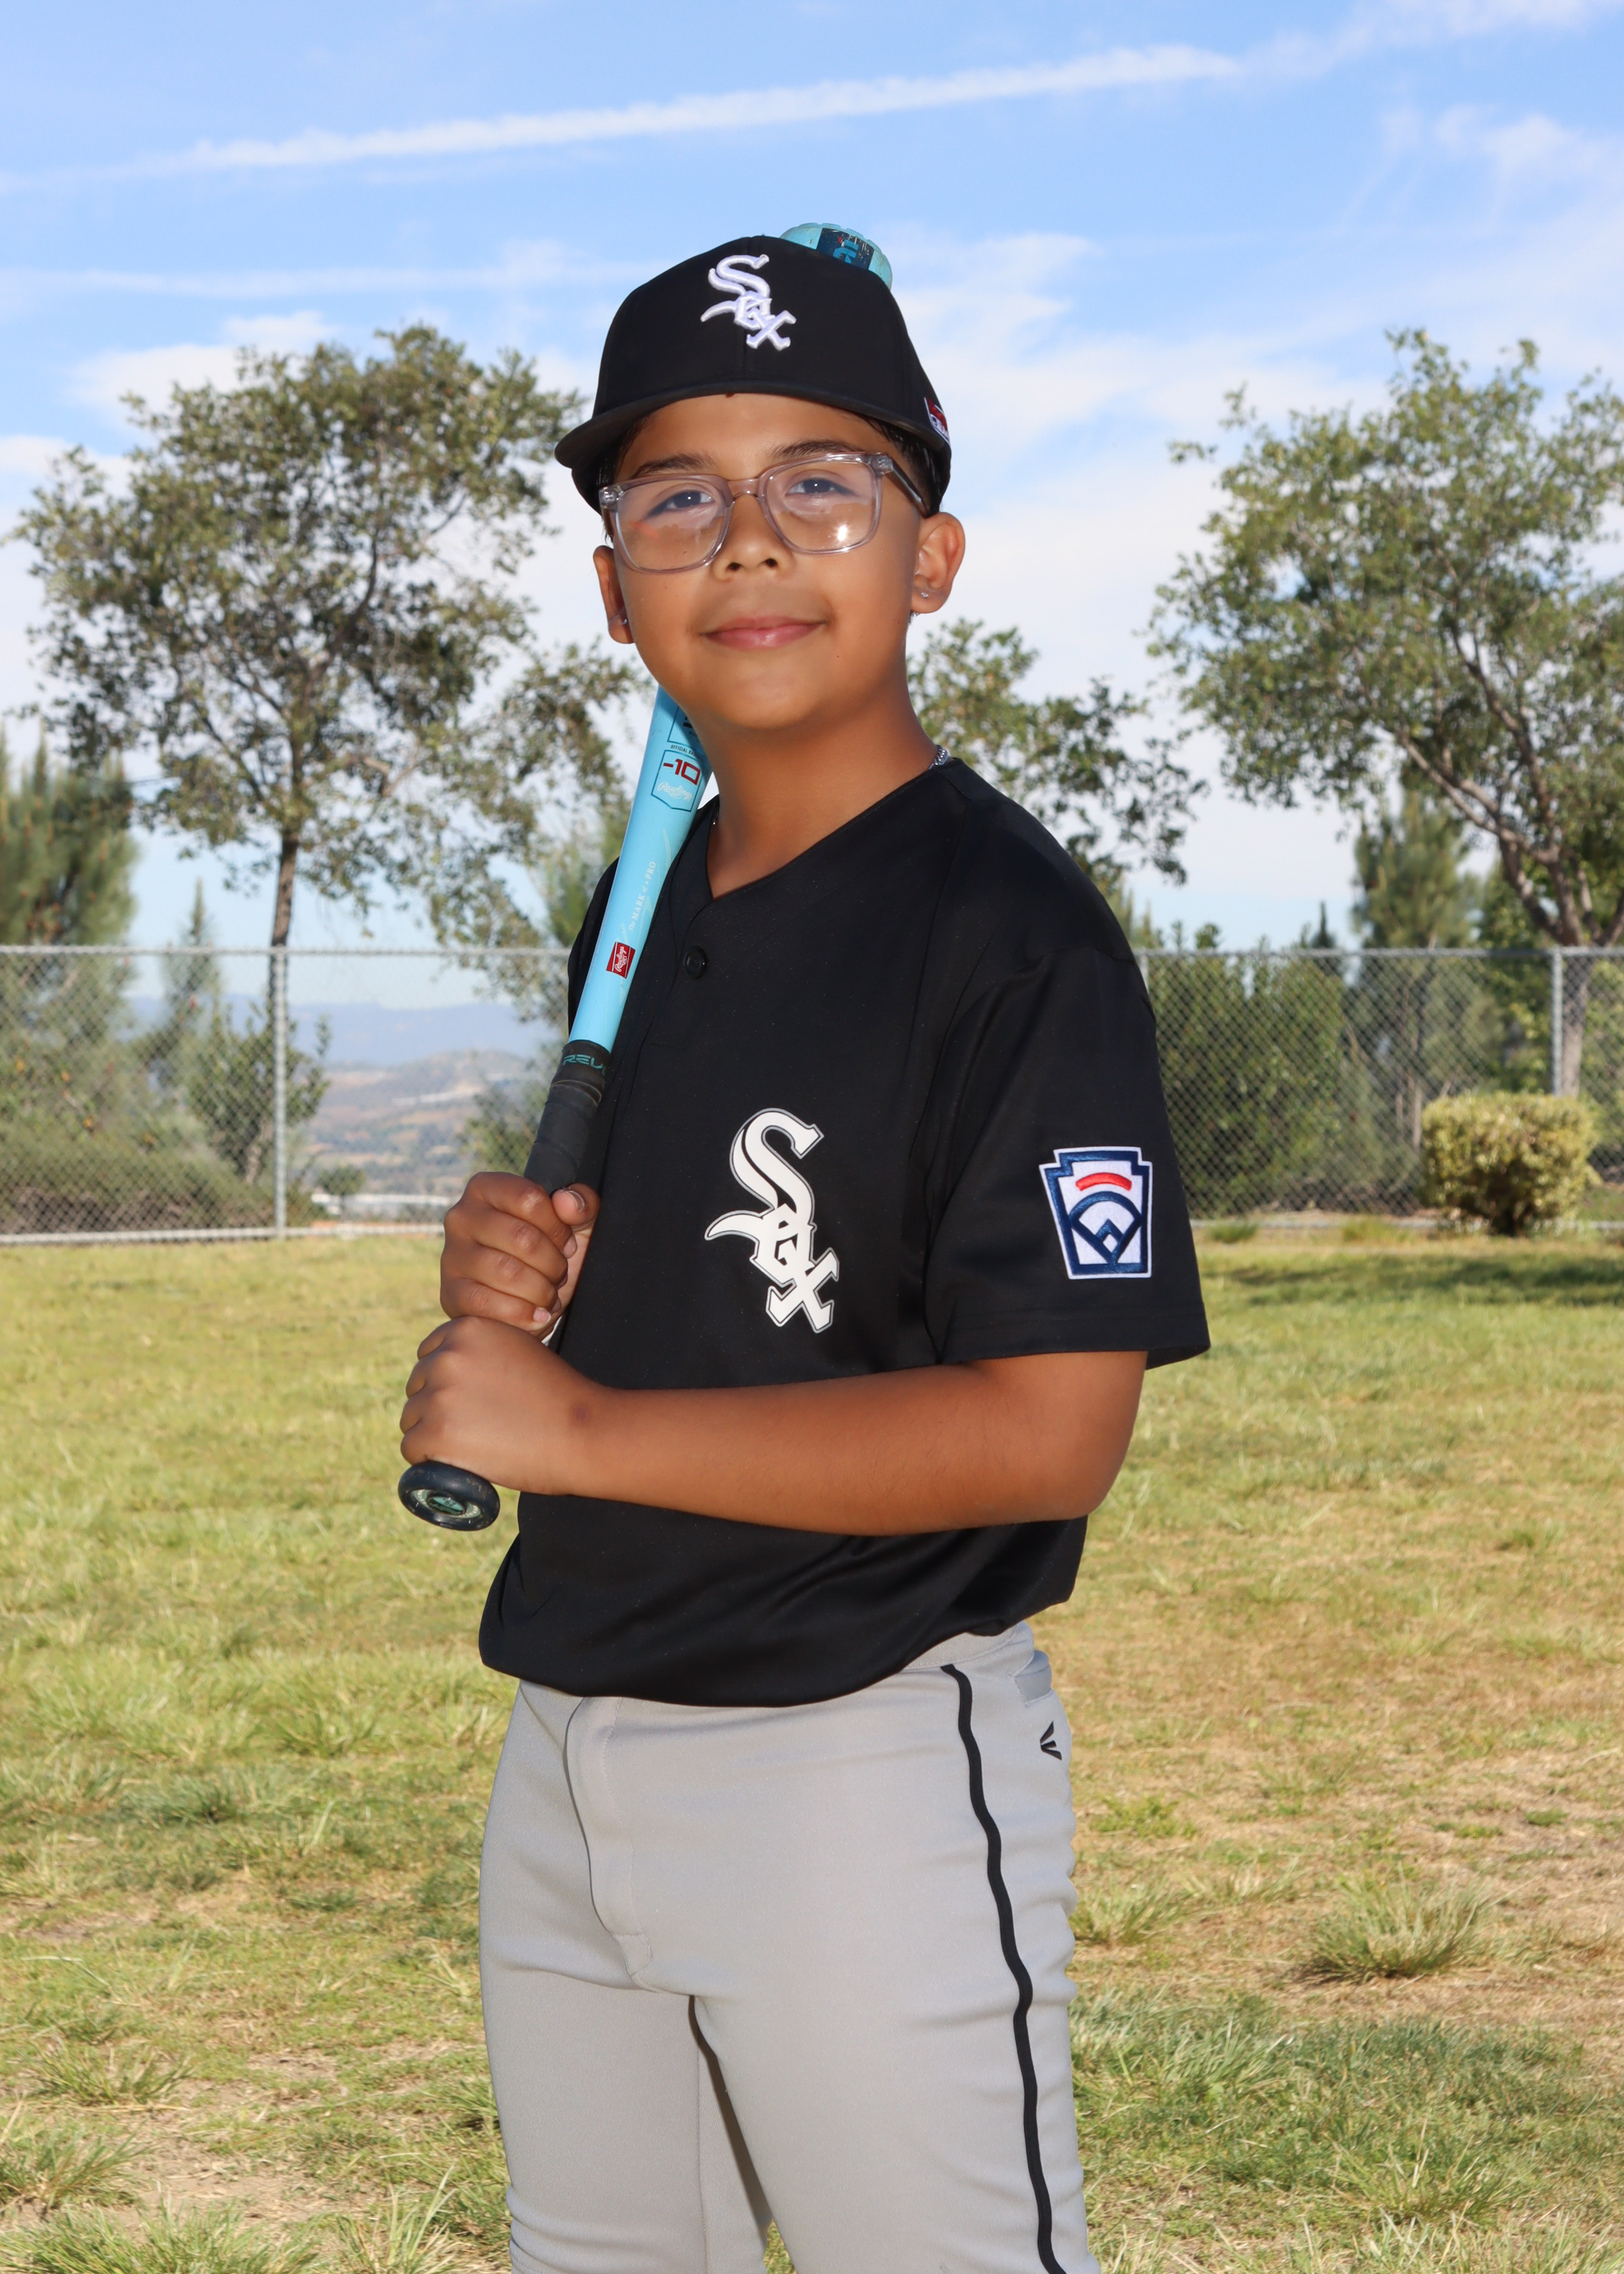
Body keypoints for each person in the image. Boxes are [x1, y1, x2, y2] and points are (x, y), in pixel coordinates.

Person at [399, 230, 1209, 2274]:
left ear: (931, 555)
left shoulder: (1011, 937)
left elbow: (1048, 1429)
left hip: (860, 1756)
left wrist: (578, 1427)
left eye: (821, 483)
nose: (749, 539)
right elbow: (738, 1287)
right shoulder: (651, 898)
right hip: (570, 1732)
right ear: (616, 587)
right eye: (676, 494)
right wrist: (536, 1270)